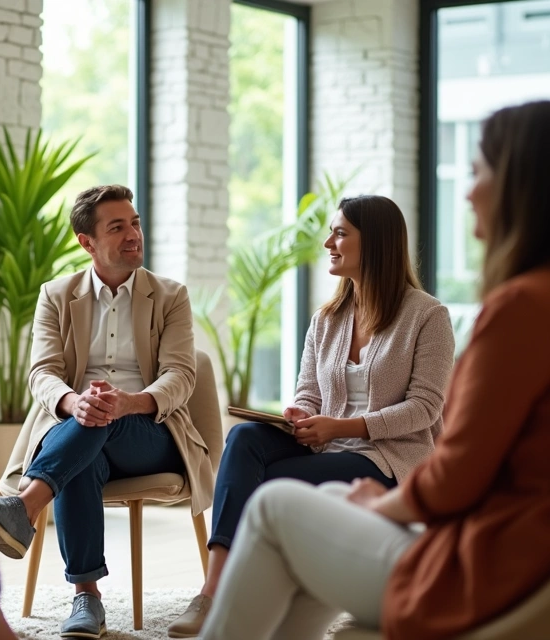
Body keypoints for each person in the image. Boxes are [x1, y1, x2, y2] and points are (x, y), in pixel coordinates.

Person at [199, 100, 550, 640]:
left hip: (495, 575)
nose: (468, 190)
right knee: (327, 502)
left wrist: (390, 499)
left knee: (275, 505)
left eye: (477, 172)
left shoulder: (525, 309)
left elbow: (455, 474)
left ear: (523, 188)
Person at [167, 195, 454, 638]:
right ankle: (213, 589)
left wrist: (343, 427)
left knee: (267, 482)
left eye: (340, 233)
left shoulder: (428, 316)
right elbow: (309, 391)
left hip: (388, 461)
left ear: (374, 243)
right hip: (327, 445)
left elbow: (425, 408)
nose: (328, 243)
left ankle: (231, 599)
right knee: (245, 439)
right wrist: (302, 413)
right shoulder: (326, 319)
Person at [0, 185, 215, 638]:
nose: (133, 235)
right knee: (85, 436)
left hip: (150, 432)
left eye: (135, 223)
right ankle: (88, 599)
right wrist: (72, 401)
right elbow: (42, 373)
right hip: (77, 429)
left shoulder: (169, 296)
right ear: (87, 242)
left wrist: (130, 403)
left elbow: (181, 376)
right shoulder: (57, 295)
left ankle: (22, 510)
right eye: (117, 227)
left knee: (100, 418)